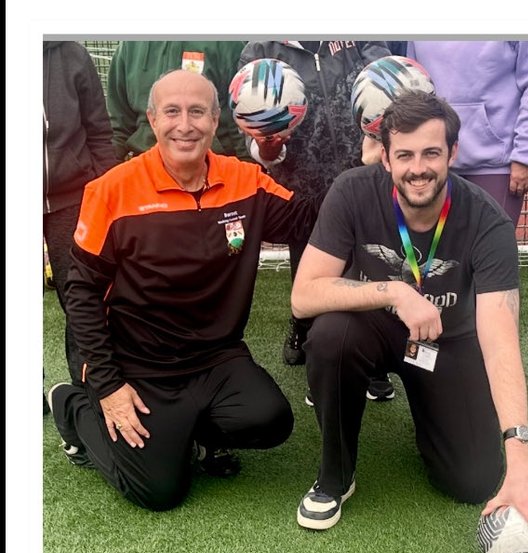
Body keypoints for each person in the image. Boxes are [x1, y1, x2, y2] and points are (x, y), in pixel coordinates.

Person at [289, 91, 528, 541]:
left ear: (452, 153)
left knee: (471, 481)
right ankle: (334, 476)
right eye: (405, 155)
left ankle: (432, 420)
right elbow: (303, 296)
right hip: (373, 327)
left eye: (431, 153)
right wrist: (396, 291)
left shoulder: (488, 222)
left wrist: (521, 461)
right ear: (386, 158)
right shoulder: (352, 191)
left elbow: (499, 340)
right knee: (330, 335)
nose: (418, 168)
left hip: (446, 342)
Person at [47, 70, 320, 511]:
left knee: (271, 421)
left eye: (197, 112)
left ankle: (189, 435)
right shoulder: (112, 191)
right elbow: (80, 293)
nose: (185, 125)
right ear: (152, 120)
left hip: (216, 357)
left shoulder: (244, 181)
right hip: (138, 364)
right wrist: (107, 383)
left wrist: (360, 166)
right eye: (171, 111)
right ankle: (74, 407)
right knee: (158, 492)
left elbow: (309, 221)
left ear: (216, 121)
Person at [237, 39, 394, 402]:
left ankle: (373, 357)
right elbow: (250, 125)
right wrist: (267, 147)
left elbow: (387, 85)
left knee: (369, 260)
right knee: (310, 265)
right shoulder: (263, 46)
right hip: (302, 181)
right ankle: (306, 331)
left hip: (362, 174)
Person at [405, 40, 528, 227]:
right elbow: (412, 81)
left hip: (495, 165)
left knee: (491, 250)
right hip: (431, 159)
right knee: (436, 253)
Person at [43, 41, 118, 407]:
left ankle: (86, 385)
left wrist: (104, 194)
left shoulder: (71, 53)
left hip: (72, 199)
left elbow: (99, 131)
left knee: (80, 297)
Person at [106, 41, 248, 161]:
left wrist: (248, 174)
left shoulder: (227, 44)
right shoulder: (130, 45)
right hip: (146, 165)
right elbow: (119, 124)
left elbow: (241, 123)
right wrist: (108, 174)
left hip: (211, 165)